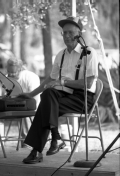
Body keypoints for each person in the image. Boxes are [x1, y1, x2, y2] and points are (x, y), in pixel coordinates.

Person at [20, 16, 98, 164]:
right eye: (64, 33)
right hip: (62, 97)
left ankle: (38, 150)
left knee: (46, 105)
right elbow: (50, 80)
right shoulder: (61, 55)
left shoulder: (89, 52)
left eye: (70, 32)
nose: (66, 36)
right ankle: (56, 138)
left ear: (78, 33)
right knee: (48, 96)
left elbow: (88, 84)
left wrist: (62, 82)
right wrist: (30, 95)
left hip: (83, 99)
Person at [6, 57, 40, 144]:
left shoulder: (30, 77)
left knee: (24, 112)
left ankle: (27, 142)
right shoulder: (7, 78)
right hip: (14, 105)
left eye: (13, 72)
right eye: (9, 72)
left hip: (32, 105)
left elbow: (34, 97)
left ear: (20, 69)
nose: (10, 75)